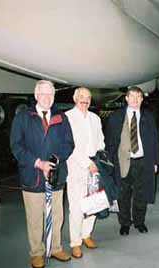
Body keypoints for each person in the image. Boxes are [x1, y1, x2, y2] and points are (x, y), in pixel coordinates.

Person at [10, 80, 74, 268]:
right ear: (36, 95)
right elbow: (16, 146)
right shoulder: (23, 117)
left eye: (51, 94)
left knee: (57, 215)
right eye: (44, 94)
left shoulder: (61, 117)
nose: (47, 98)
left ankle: (55, 248)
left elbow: (69, 143)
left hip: (56, 175)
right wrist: (39, 163)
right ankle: (36, 252)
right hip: (32, 175)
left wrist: (54, 161)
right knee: (35, 217)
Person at [105, 86, 159, 236]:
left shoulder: (149, 117)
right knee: (123, 195)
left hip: (143, 161)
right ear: (127, 98)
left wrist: (155, 162)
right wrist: (111, 163)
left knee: (141, 194)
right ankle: (125, 223)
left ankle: (139, 221)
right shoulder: (116, 117)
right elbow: (110, 142)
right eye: (132, 97)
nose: (135, 100)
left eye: (138, 97)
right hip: (123, 162)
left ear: (142, 99)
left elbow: (155, 140)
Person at [65, 87, 105, 258]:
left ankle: (86, 234)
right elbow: (68, 146)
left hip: (94, 166)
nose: (85, 100)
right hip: (76, 166)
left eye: (88, 97)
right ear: (75, 98)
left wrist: (99, 159)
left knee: (92, 203)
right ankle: (75, 243)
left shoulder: (95, 118)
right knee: (76, 207)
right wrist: (87, 163)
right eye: (81, 97)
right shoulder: (67, 117)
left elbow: (100, 140)